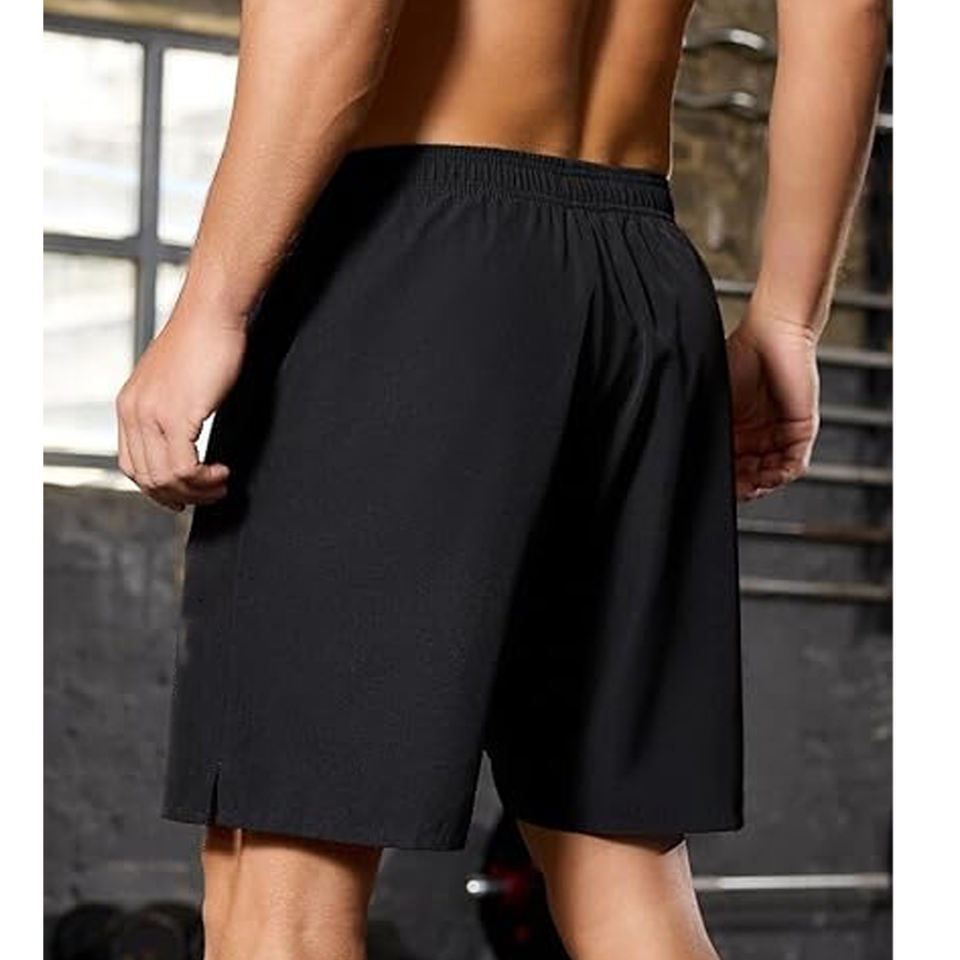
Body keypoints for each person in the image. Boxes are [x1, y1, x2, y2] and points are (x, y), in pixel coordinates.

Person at [114, 0, 887, 957]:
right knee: (624, 874)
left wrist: (211, 305)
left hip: (407, 257)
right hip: (642, 275)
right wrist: (787, 322)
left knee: (277, 886)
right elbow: (848, 15)